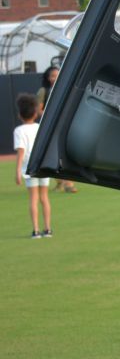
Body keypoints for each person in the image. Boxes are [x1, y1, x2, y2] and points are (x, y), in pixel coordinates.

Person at [13, 93, 51, 238]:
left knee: (33, 199)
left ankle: (36, 230)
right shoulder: (40, 127)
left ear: (20, 115)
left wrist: (17, 171)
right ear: (35, 113)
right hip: (42, 166)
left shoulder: (19, 131)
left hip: (30, 169)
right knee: (44, 198)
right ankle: (47, 229)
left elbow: (21, 151)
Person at [35, 66, 77, 193]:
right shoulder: (43, 91)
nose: (55, 78)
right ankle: (63, 183)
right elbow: (39, 110)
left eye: (57, 75)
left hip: (65, 126)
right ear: (48, 78)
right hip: (50, 128)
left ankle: (66, 183)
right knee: (53, 154)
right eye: (52, 75)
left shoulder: (67, 89)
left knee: (66, 154)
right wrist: (52, 118)